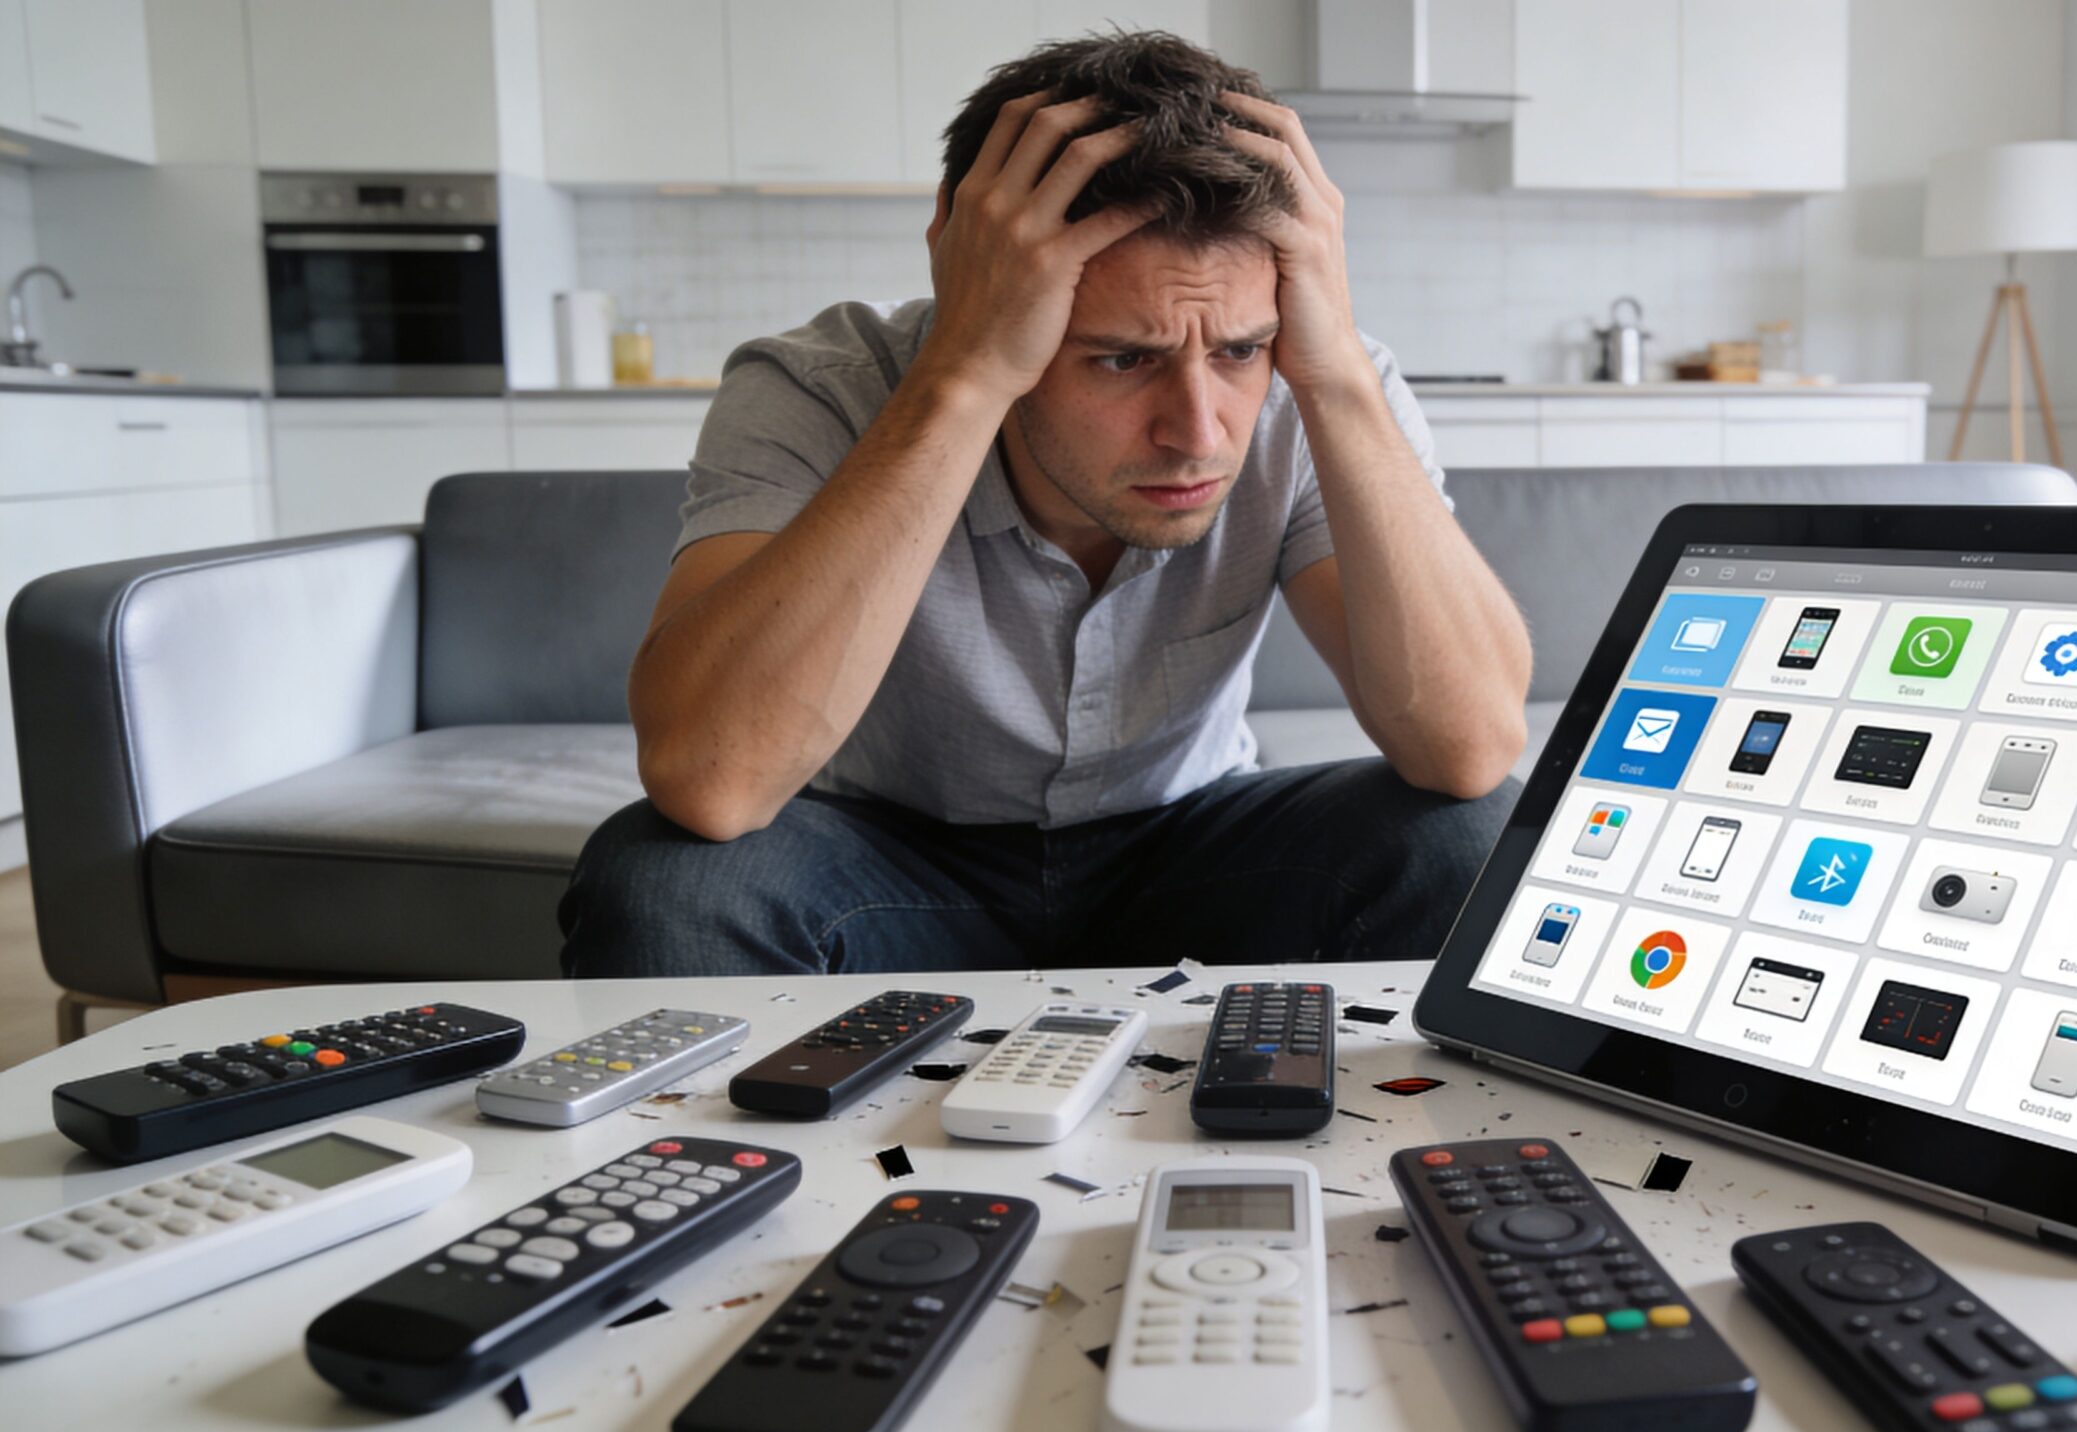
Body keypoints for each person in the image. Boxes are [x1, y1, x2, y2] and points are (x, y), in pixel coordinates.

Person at [560, 30, 1531, 978]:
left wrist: (1335, 379)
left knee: (1477, 840)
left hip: (1196, 846)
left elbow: (1468, 748)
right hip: (891, 861)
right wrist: (963, 378)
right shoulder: (820, 388)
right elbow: (711, 781)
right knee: (662, 881)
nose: (1198, 432)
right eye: (1123, 358)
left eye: (1237, 349)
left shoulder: (1314, 382)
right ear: (973, 275)